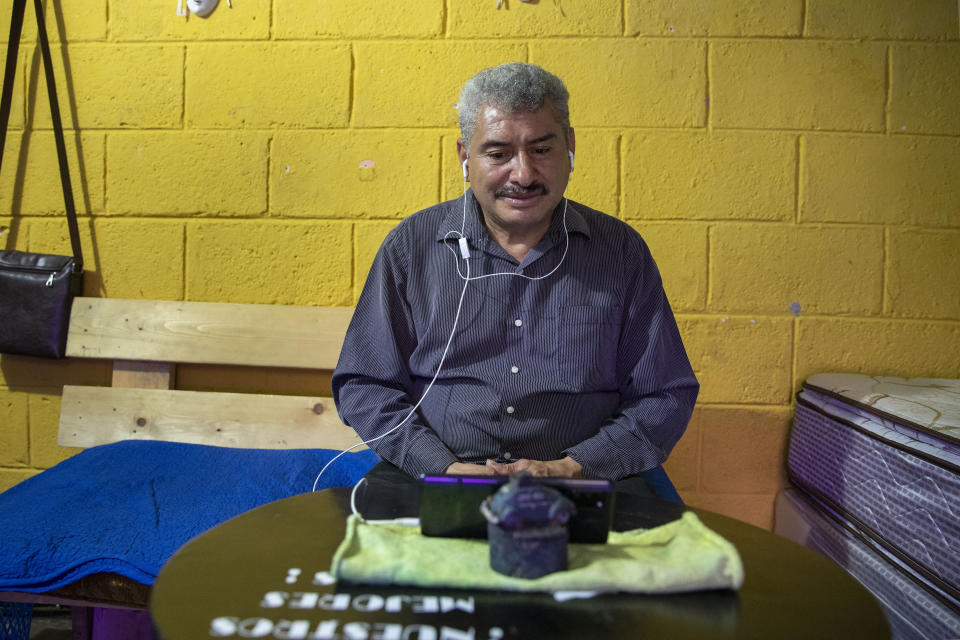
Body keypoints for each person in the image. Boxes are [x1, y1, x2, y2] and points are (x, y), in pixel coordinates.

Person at [332, 62, 698, 496]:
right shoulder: (412, 247)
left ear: (570, 148)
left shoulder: (619, 252)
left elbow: (665, 395)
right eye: (498, 153)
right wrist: (443, 468)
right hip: (433, 479)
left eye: (541, 150)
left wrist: (574, 468)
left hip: (583, 484)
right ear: (465, 157)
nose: (522, 175)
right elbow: (365, 384)